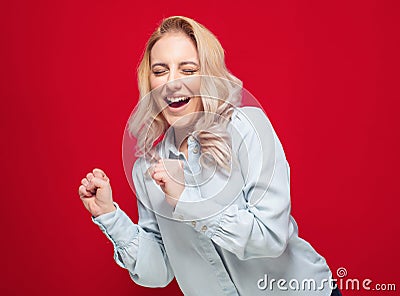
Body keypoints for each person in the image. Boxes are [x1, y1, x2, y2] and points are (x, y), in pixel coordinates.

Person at [78, 16, 341, 296]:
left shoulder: (248, 128)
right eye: (160, 70)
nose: (172, 83)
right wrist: (109, 215)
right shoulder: (147, 168)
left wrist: (187, 200)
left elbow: (271, 237)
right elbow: (159, 273)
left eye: (188, 69)